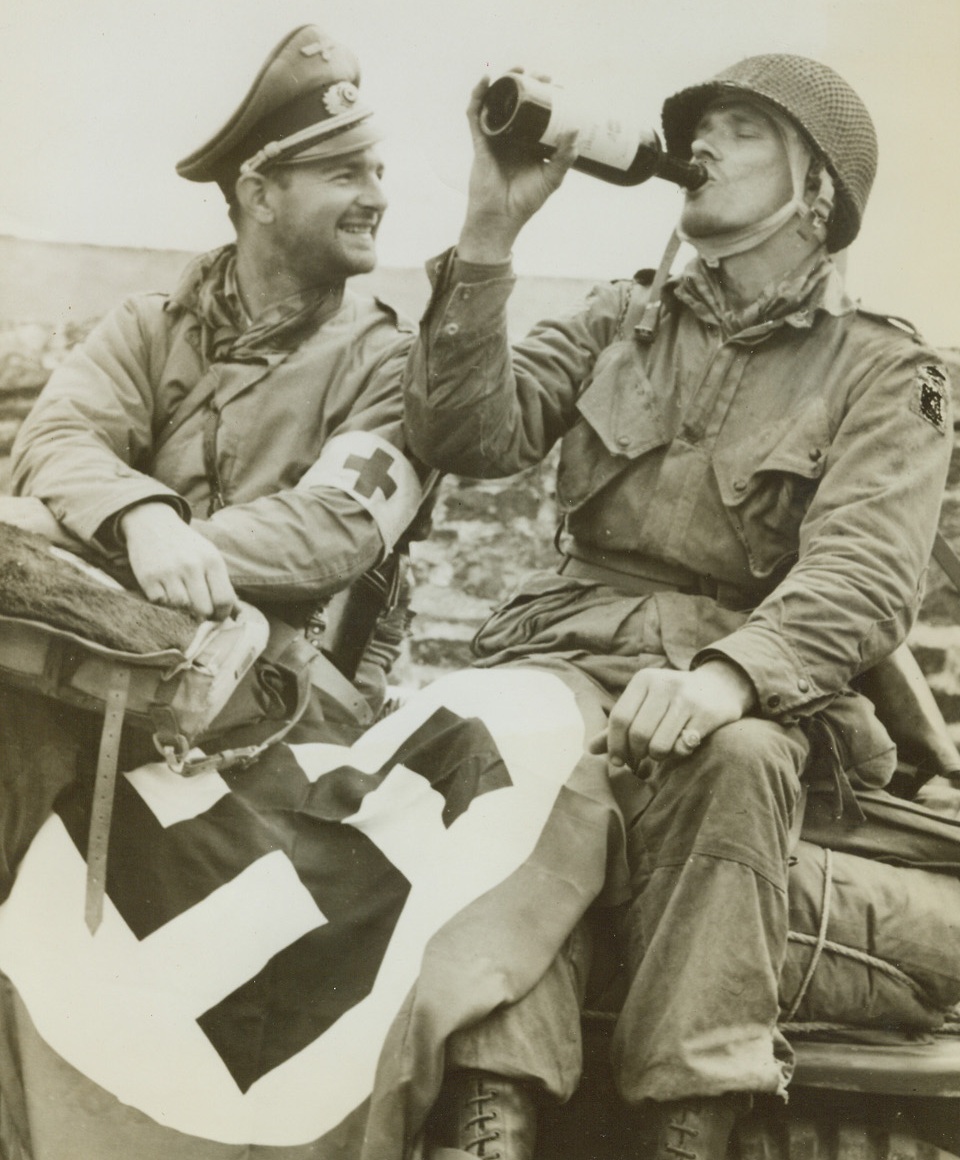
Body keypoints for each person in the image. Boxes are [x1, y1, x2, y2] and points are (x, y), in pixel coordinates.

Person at [402, 55, 953, 1160]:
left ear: (816, 194)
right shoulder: (622, 317)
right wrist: (491, 229)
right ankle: (488, 1110)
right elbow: (464, 438)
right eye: (702, 124)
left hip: (752, 675)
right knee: (530, 737)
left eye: (744, 129)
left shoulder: (884, 369)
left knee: (740, 761)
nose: (702, 145)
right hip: (561, 647)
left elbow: (864, 572)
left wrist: (725, 676)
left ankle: (688, 1123)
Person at [0, 25, 427, 894]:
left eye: (376, 171)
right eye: (345, 174)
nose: (376, 196)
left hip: (286, 685)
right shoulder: (153, 326)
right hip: (121, 640)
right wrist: (142, 521)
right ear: (259, 193)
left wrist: (150, 544)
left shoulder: (393, 361)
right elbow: (54, 441)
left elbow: (335, 533)